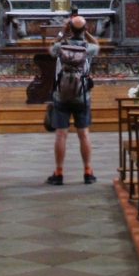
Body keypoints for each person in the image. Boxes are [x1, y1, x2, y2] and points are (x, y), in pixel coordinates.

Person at [47, 14, 99, 185]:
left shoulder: (61, 47)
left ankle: (59, 172)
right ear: (83, 30)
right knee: (83, 134)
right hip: (81, 95)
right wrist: (88, 33)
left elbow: (51, 47)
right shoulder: (88, 48)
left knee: (61, 134)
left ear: (70, 29)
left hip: (61, 94)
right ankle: (87, 171)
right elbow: (97, 46)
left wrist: (62, 32)